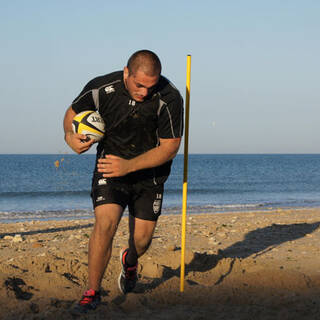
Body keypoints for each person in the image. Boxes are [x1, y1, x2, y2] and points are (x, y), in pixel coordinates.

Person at [63, 50, 183, 313]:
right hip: (110, 167)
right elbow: (72, 112)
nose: (144, 92)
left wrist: (129, 166)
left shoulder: (170, 97)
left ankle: (130, 262)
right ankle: (92, 292)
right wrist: (69, 137)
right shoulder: (102, 87)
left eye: (150, 87)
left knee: (141, 241)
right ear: (126, 73)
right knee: (105, 223)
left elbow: (169, 148)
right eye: (139, 85)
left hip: (150, 175)